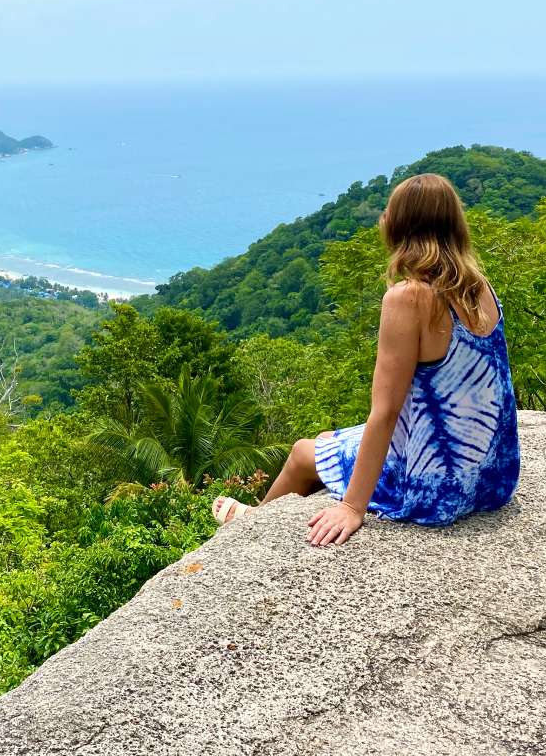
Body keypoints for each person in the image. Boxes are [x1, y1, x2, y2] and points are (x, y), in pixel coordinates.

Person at [212, 173, 520, 545]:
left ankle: (253, 528)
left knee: (301, 452)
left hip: (434, 488)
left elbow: (386, 411)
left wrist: (353, 507)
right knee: (328, 439)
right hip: (491, 478)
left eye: (387, 212)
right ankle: (269, 516)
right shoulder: (479, 287)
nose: (382, 218)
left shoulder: (410, 298)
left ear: (402, 227)